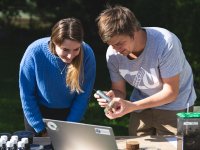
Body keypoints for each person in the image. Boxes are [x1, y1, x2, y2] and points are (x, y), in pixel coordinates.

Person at [94, 5, 196, 136]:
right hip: (141, 108)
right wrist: (113, 97)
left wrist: (133, 106)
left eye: (119, 43)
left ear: (134, 31)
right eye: (111, 44)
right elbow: (119, 91)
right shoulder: (113, 54)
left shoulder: (165, 43)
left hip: (176, 107)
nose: (115, 49)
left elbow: (171, 92)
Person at [19, 18, 96, 136]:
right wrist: (41, 128)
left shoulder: (87, 54)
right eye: (65, 49)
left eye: (76, 49)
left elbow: (83, 96)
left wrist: (68, 127)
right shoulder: (34, 52)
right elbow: (27, 95)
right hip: (38, 112)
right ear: (54, 42)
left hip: (71, 113)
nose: (70, 56)